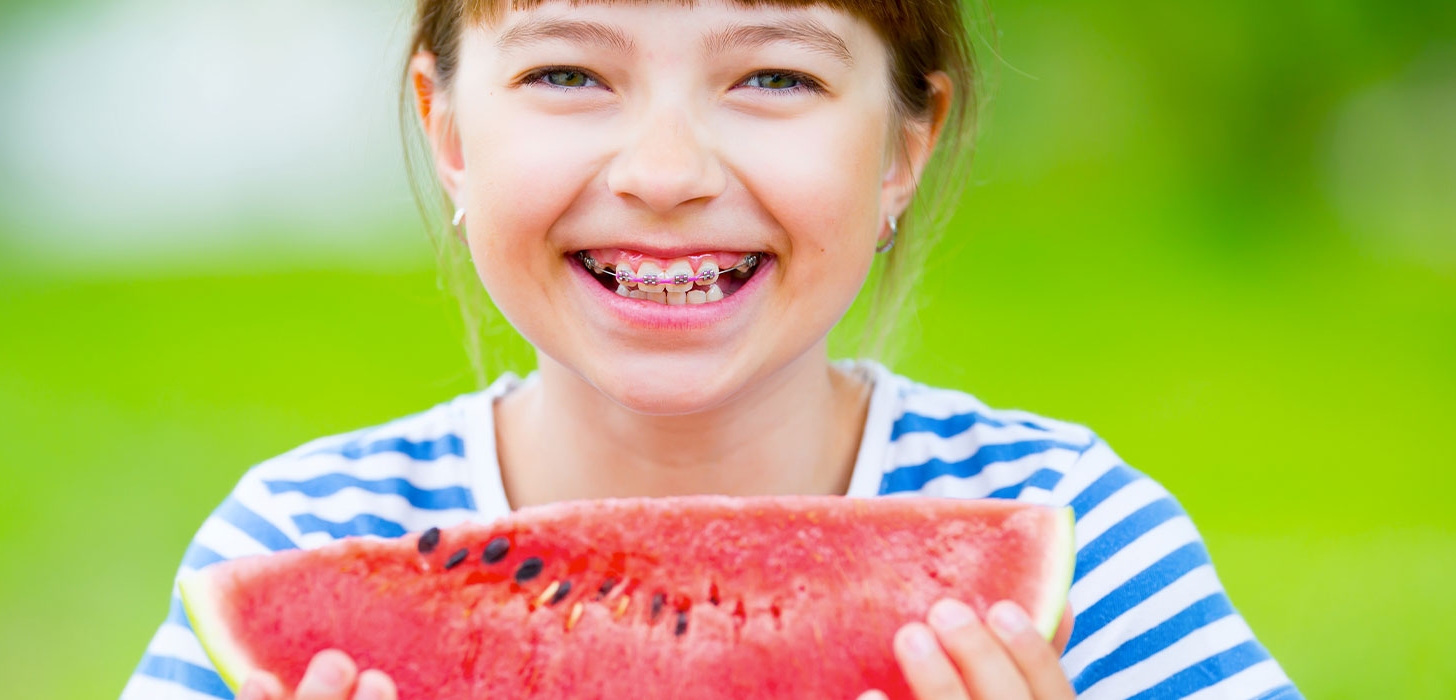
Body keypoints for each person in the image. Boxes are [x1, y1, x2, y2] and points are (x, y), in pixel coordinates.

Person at [122, 1, 1300, 698]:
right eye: (568, 73)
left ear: (902, 145)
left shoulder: (1085, 546)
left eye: (775, 76)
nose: (667, 173)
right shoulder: (302, 533)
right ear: (448, 132)